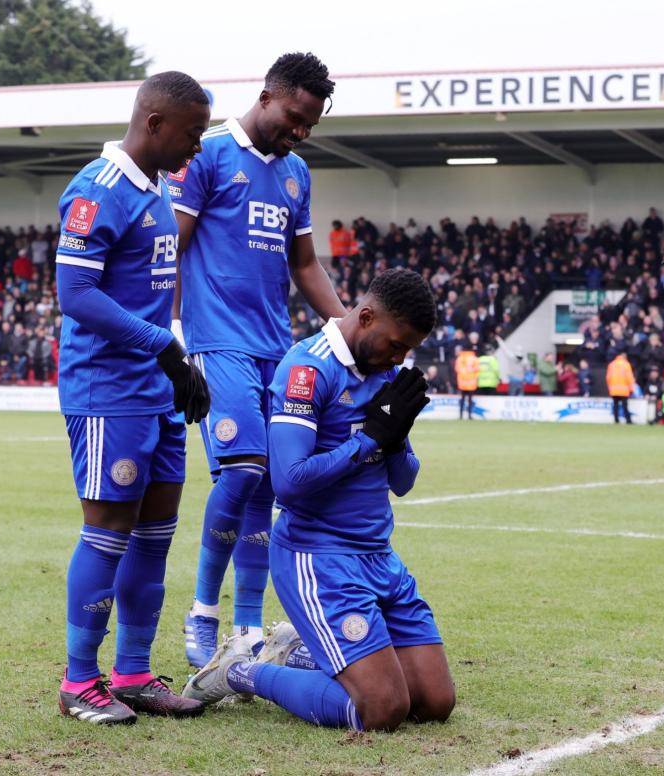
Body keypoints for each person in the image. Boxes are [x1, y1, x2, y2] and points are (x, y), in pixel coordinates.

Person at [183, 268, 456, 733]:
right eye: (396, 344)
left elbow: (404, 482)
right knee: (383, 709)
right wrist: (368, 440)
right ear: (365, 317)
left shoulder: (386, 373)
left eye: (408, 349)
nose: (400, 357)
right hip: (318, 558)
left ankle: (301, 651)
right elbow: (288, 481)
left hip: (378, 556)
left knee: (434, 702)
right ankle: (238, 671)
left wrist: (396, 437)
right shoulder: (307, 367)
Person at [170, 53, 347, 668]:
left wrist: (346, 328)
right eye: (296, 117)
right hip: (217, 342)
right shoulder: (208, 155)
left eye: (311, 124)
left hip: (277, 347)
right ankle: (203, 610)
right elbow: (173, 246)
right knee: (242, 472)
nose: (300, 131)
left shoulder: (296, 173)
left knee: (271, 486)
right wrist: (165, 335)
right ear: (269, 96)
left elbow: (304, 265)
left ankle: (246, 628)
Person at [54, 72, 213, 724]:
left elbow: (150, 294)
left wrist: (176, 357)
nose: (196, 148)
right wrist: (163, 346)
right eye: (192, 133)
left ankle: (134, 673)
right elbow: (77, 296)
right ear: (154, 123)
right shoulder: (98, 189)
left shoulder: (157, 193)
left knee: (156, 534)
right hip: (107, 392)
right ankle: (77, 682)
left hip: (156, 391)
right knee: (107, 533)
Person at [606, 351, 635, 425]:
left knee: (615, 405)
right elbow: (630, 378)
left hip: (614, 389)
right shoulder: (626, 365)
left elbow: (608, 378)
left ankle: (616, 420)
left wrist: (610, 388)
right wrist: (631, 389)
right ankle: (628, 420)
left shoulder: (611, 364)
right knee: (625, 406)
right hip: (624, 390)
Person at [454, 336, 479, 419]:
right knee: (470, 400)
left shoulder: (459, 358)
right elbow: (477, 369)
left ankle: (461, 415)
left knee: (462, 399)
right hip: (471, 382)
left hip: (462, 382)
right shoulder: (474, 358)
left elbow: (457, 369)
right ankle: (469, 415)